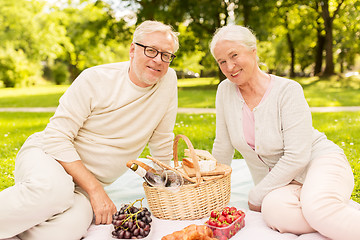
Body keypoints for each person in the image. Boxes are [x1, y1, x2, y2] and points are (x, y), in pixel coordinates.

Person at [0, 20, 179, 240]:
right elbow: (56, 137)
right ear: (133, 49)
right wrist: (96, 191)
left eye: (166, 55)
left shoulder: (168, 81)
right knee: (54, 192)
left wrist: (170, 185)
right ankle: (32, 202)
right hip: (48, 157)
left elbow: (162, 140)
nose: (158, 60)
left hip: (81, 190)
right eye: (151, 50)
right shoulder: (95, 79)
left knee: (66, 231)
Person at [210, 24, 360, 240]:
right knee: (275, 213)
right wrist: (211, 189)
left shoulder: (287, 90)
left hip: (319, 161)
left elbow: (297, 156)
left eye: (234, 55)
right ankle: (331, 215)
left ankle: (324, 209)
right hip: (284, 183)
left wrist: (257, 193)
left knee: (317, 208)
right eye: (221, 61)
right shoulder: (224, 90)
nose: (229, 66)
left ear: (253, 51)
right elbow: (223, 147)